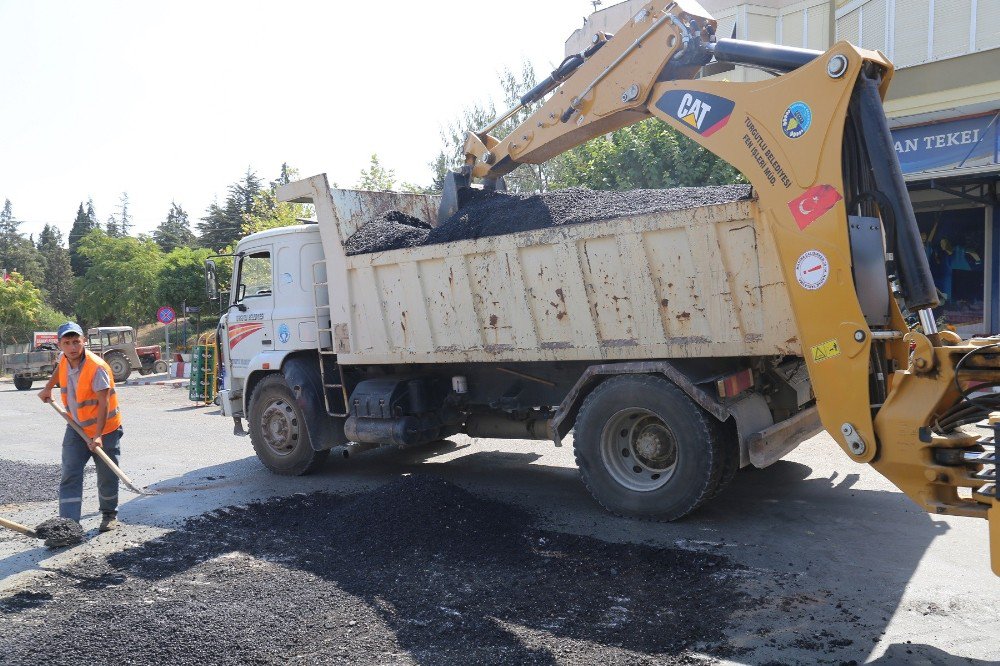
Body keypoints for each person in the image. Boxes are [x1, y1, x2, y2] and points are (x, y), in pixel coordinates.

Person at [37, 322, 124, 532]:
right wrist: (48, 387)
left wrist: (98, 436)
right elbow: (60, 369)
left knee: (107, 475)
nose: (72, 347)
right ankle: (68, 525)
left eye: (76, 341)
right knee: (70, 473)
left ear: (83, 341)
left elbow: (103, 404)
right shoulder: (64, 359)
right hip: (76, 428)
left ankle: (109, 515)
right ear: (60, 346)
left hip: (106, 430)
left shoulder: (98, 368)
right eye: (67, 343)